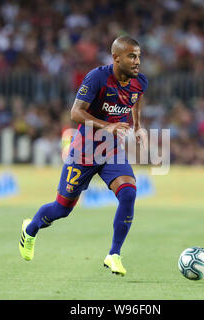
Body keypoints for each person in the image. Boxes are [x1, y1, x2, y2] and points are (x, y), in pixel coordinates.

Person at [19, 36, 148, 276]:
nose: (137, 61)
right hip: (84, 150)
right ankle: (31, 228)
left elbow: (135, 98)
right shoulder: (97, 77)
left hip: (110, 150)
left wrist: (138, 124)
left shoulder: (139, 81)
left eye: (139, 56)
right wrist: (106, 126)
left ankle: (114, 255)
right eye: (132, 56)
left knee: (129, 192)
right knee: (61, 209)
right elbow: (75, 113)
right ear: (116, 57)